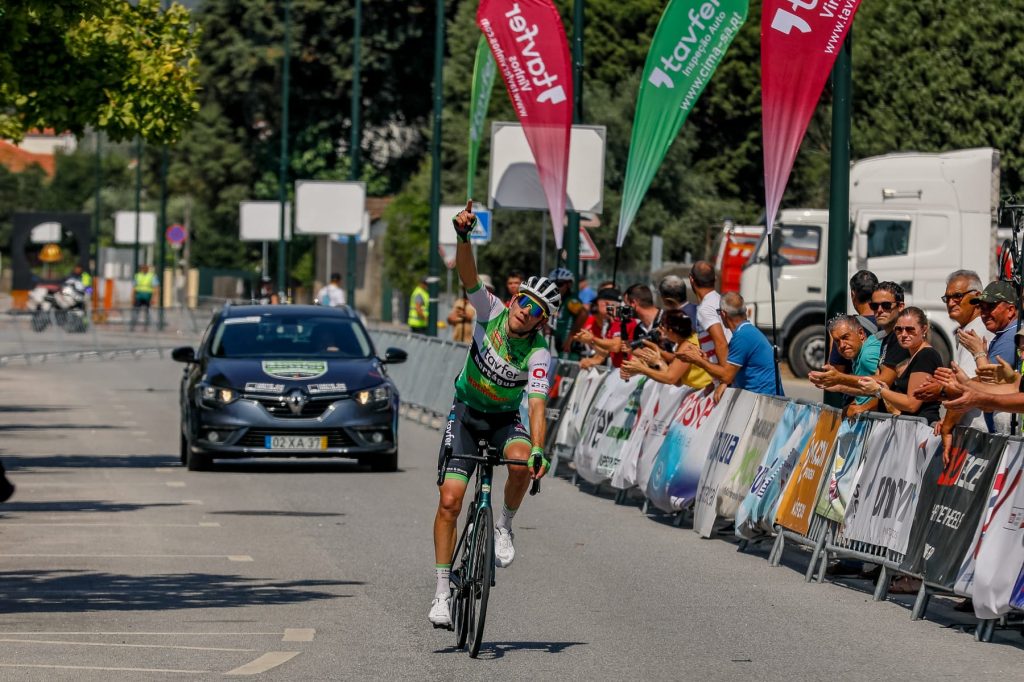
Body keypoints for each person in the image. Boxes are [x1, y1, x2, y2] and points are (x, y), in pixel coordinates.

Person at [429, 201, 558, 629]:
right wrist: (463, 237)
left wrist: (539, 447)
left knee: (523, 462)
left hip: (504, 420)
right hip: (466, 414)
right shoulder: (492, 312)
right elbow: (468, 275)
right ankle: (443, 592)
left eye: (535, 308)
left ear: (542, 321)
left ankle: (503, 525)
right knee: (450, 501)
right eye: (524, 299)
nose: (524, 308)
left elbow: (537, 404)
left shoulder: (539, 353)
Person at [914, 270, 989, 430]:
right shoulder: (969, 329)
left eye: (957, 296)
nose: (950, 302)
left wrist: (941, 391)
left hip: (977, 430)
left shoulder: (977, 330)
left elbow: (969, 386)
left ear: (977, 296)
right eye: (947, 298)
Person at [677, 292, 782, 397]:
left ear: (723, 314)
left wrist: (699, 361)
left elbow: (727, 376)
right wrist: (705, 361)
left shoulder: (743, 336)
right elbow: (729, 373)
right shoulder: (744, 331)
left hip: (765, 401)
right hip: (761, 398)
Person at [858, 307, 943, 423]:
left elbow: (911, 404)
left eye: (910, 330)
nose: (903, 334)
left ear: (924, 329)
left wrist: (879, 390)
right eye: (898, 330)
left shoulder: (926, 355)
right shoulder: (913, 356)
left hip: (922, 428)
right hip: (911, 426)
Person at [809, 315, 881, 418]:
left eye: (845, 337)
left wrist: (864, 407)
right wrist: (841, 387)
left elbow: (887, 388)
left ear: (861, 334)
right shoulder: (860, 353)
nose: (842, 345)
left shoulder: (867, 356)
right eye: (837, 341)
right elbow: (871, 390)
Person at [620, 309, 712, 390]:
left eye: (661, 326)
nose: (659, 330)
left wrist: (642, 369)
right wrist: (657, 358)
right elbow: (676, 375)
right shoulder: (691, 337)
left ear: (670, 330)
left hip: (705, 390)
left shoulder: (686, 347)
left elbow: (671, 378)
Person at [827, 270, 878, 372]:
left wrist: (834, 340)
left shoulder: (846, 327)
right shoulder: (893, 325)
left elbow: (833, 374)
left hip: (859, 386)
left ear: (853, 294)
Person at [689, 261, 731, 367]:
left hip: (727, 376)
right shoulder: (721, 300)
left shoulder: (705, 308)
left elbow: (721, 343)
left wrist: (725, 379)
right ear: (715, 279)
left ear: (691, 279)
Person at [574, 287, 622, 368]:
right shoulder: (607, 323)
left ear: (606, 304)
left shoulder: (620, 319)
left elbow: (615, 346)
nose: (595, 306)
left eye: (597, 303)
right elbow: (605, 352)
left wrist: (592, 339)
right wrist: (590, 342)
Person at [548, 266, 588, 359]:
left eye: (560, 284)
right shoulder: (559, 300)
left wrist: (571, 337)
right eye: (553, 284)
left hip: (568, 349)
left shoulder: (571, 300)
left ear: (569, 284)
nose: (556, 287)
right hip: (557, 347)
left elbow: (583, 314)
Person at [129, 264, 159, 331]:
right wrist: (132, 297)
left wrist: (154, 298)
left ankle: (146, 327)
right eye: (143, 268)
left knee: (148, 313)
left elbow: (155, 287)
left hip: (148, 296)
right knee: (135, 311)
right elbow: (134, 287)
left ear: (148, 269)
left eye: (145, 268)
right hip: (139, 296)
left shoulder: (152, 276)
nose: (144, 269)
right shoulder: (137, 276)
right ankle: (132, 326)